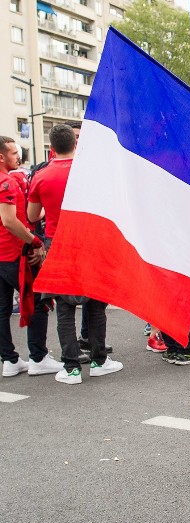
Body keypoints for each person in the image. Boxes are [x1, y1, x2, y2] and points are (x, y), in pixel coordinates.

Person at [27, 125, 124, 384]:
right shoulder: (91, 172)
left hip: (58, 243)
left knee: (64, 309)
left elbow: (31, 216)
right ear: (75, 144)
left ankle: (70, 368)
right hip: (90, 240)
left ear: (51, 148)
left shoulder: (41, 176)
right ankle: (99, 360)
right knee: (95, 304)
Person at [0, 136, 63, 379]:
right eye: (14, 153)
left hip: (5, 254)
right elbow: (9, 221)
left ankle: (9, 360)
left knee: (3, 309)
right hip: (15, 254)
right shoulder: (6, 183)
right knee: (38, 302)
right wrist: (34, 241)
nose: (19, 157)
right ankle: (38, 357)